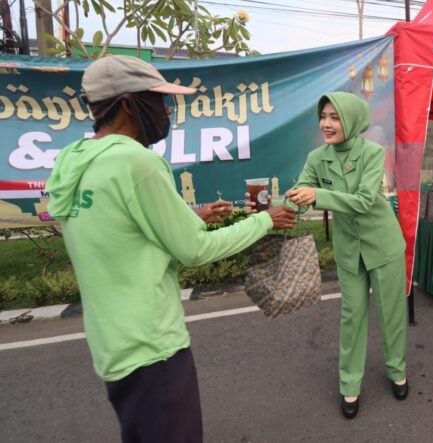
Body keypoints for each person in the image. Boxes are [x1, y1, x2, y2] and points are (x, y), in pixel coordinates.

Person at [45, 55, 296, 442]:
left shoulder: (74, 162)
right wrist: (265, 220)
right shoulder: (136, 162)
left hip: (112, 347)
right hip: (154, 349)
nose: (166, 111)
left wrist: (190, 212)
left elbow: (118, 227)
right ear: (128, 104)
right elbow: (195, 250)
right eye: (158, 100)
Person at [286, 92, 408, 419]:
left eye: (335, 117)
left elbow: (365, 200)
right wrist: (284, 204)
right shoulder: (316, 158)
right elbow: (302, 192)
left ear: (352, 119)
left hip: (383, 245)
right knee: (352, 318)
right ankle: (349, 384)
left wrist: (319, 195)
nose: (326, 123)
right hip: (349, 249)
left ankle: (397, 370)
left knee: (391, 313)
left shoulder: (370, 154)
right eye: (323, 116)